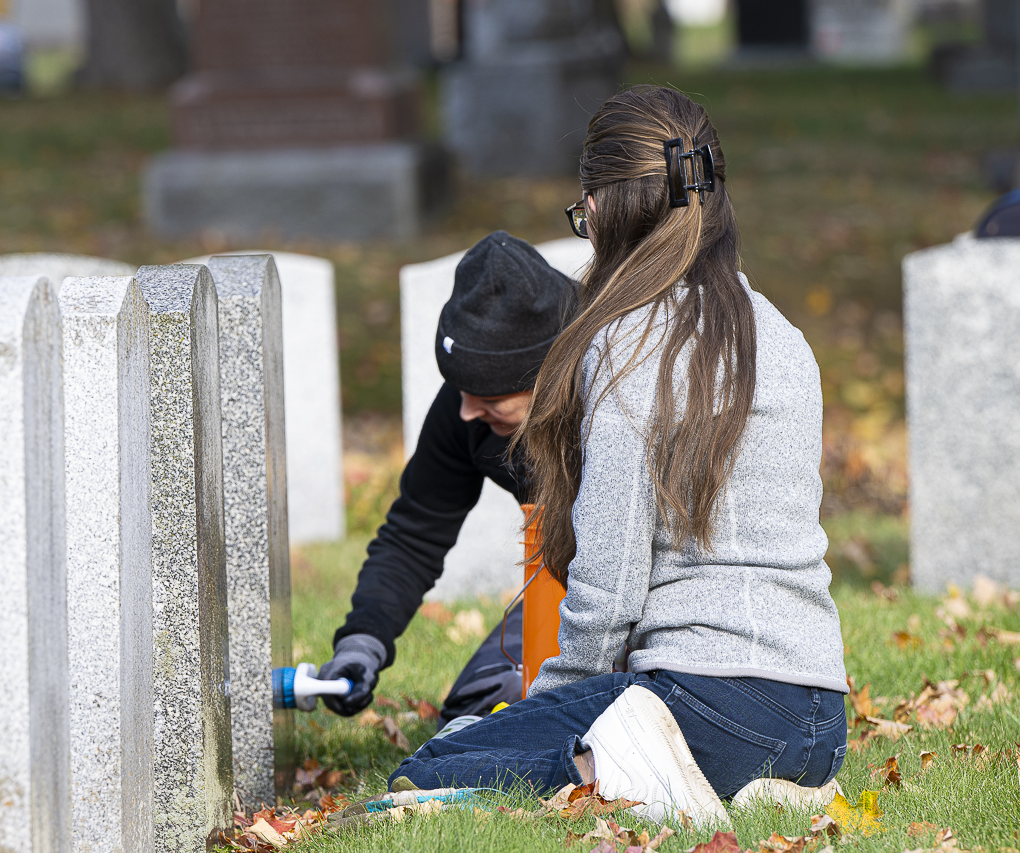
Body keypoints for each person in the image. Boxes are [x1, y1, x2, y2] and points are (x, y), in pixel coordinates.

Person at [389, 85, 849, 825]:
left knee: (431, 767)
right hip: (820, 717)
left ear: (602, 210)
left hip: (705, 701)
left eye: (583, 208)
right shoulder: (784, 337)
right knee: (497, 746)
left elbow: (608, 581)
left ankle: (635, 765)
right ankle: (743, 779)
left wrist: (558, 706)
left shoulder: (631, 342)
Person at [316, 231, 578, 724]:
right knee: (475, 708)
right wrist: (363, 640)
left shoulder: (625, 393)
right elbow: (416, 531)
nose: (464, 412)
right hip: (559, 591)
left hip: (668, 599)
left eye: (489, 398)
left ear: (553, 376)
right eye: (460, 389)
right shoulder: (469, 410)